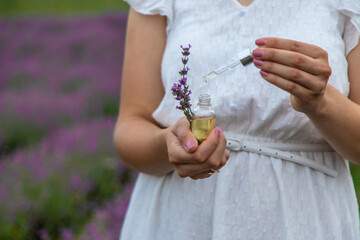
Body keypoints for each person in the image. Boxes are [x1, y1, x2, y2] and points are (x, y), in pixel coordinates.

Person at [114, 0, 360, 239]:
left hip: (305, 221)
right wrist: (167, 144)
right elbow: (132, 125)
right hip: (180, 223)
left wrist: (321, 102)